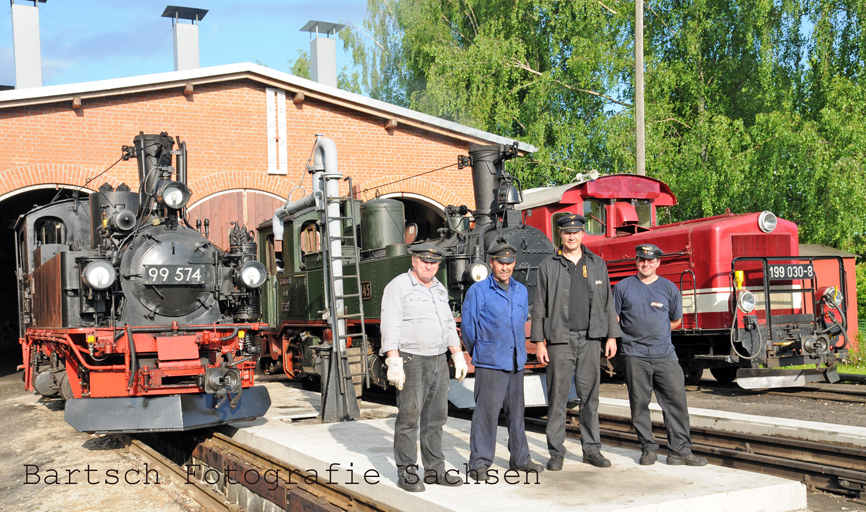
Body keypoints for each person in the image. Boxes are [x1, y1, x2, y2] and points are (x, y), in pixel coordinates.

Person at [531, 214, 621, 471]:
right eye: (567, 232)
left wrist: (611, 335)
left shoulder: (597, 264)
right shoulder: (549, 265)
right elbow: (540, 306)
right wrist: (538, 341)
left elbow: (607, 302)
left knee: (590, 398)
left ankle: (591, 450)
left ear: (583, 234)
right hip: (560, 339)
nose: (572, 236)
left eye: (576, 232)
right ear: (560, 235)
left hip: (591, 338)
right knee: (557, 398)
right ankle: (556, 453)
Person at [380, 243, 469, 492]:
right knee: (409, 417)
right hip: (412, 358)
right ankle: (407, 472)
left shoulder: (439, 289)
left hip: (439, 359)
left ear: (438, 264)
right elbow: (390, 325)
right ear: (414, 261)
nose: (429, 266)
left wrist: (457, 355)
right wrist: (394, 361)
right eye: (424, 261)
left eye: (434, 262)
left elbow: (449, 324)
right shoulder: (398, 286)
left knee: (436, 418)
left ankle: (434, 470)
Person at [613, 244, 708, 467]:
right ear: (636, 262)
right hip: (634, 355)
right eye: (641, 260)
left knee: (676, 403)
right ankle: (648, 449)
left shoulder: (669, 288)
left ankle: (680, 452)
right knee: (639, 405)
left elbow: (675, 321)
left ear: (658, 263)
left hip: (665, 355)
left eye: (650, 261)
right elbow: (614, 318)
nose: (645, 264)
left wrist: (657, 335)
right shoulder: (623, 287)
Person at [461, 242, 544, 482]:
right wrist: (482, 351)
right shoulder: (478, 291)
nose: (505, 267)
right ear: (492, 263)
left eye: (509, 263)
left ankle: (520, 459)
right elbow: (468, 327)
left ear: (514, 264)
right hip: (491, 362)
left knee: (517, 413)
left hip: (516, 361)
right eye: (501, 263)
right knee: (486, 414)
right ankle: (479, 463)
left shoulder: (521, 290)